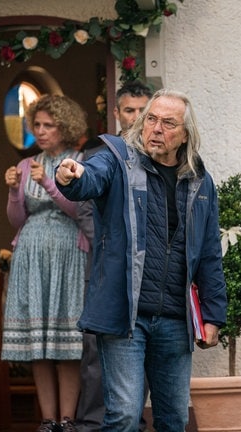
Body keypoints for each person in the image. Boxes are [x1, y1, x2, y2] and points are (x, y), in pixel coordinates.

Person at [54, 88, 227, 432]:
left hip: (176, 320)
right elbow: (89, 178)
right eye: (151, 119)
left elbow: (209, 254)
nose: (156, 129)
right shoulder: (118, 160)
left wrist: (213, 314)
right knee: (124, 416)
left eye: (167, 123)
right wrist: (71, 175)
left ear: (185, 135)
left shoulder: (200, 182)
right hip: (125, 317)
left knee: (174, 419)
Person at [1, 94, 89, 432]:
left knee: (67, 344)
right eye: (36, 125)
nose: (40, 131)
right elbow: (15, 219)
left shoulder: (79, 161)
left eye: (48, 125)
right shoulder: (25, 165)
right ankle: (48, 419)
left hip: (68, 250)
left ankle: (68, 419)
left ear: (64, 127)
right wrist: (13, 190)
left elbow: (77, 209)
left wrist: (47, 183)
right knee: (39, 344)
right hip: (31, 254)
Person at [74, 80, 153, 432]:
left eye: (143, 110)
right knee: (96, 352)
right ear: (117, 113)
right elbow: (85, 210)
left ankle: (131, 422)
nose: (136, 117)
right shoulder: (103, 153)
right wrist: (113, 249)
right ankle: (92, 424)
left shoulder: (160, 154)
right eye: (129, 110)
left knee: (145, 350)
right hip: (107, 267)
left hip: (149, 276)